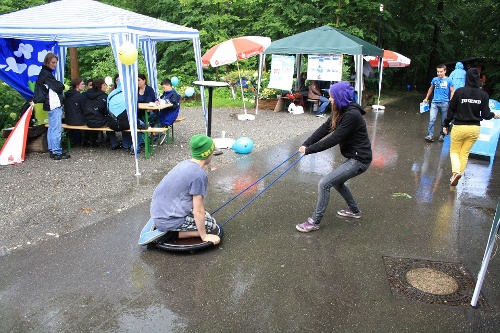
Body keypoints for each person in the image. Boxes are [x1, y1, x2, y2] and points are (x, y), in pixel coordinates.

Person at [296, 81, 372, 232]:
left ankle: (314, 222)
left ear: (340, 97)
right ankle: (354, 210)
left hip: (360, 160)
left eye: (332, 96)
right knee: (337, 182)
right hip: (355, 157)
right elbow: (325, 129)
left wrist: (309, 150)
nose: (330, 99)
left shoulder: (352, 115)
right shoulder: (341, 110)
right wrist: (306, 144)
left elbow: (334, 139)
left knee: (324, 183)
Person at [149, 134, 221, 245]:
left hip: (158, 214)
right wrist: (204, 236)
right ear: (208, 154)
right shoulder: (199, 175)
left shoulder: (185, 164)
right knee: (212, 226)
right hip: (168, 221)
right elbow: (198, 211)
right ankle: (170, 234)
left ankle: (174, 228)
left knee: (205, 217)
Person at [443, 68, 500, 186]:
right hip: (474, 129)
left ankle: (456, 172)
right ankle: (456, 176)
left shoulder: (460, 92)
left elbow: (451, 110)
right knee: (464, 153)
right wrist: (494, 115)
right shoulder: (483, 95)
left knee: (454, 151)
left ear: (466, 78)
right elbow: (485, 115)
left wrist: (446, 124)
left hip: (459, 127)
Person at [36, 52, 69, 160]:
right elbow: (58, 87)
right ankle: (56, 152)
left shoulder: (43, 73)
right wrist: (61, 85)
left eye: (55, 62)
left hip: (49, 104)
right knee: (56, 129)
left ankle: (52, 149)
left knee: (51, 128)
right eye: (53, 62)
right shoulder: (47, 74)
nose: (54, 64)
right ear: (47, 62)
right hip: (53, 104)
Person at [423, 64, 454, 142]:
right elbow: (430, 89)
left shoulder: (449, 80)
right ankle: (430, 135)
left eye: (441, 72)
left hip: (445, 103)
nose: (439, 73)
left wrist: (451, 99)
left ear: (445, 71)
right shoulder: (435, 79)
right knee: (432, 119)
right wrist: (426, 98)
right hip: (434, 102)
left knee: (444, 121)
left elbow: (452, 90)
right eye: (438, 72)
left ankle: (442, 135)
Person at [106, 78, 132, 151]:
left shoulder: (111, 94)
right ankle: (135, 145)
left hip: (112, 124)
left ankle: (114, 144)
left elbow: (107, 109)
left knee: (122, 118)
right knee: (139, 124)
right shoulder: (129, 94)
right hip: (126, 124)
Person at [81, 78, 108, 147]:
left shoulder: (84, 94)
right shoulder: (104, 96)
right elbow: (105, 111)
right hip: (99, 122)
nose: (106, 86)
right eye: (104, 85)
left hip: (87, 121)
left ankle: (87, 140)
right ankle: (97, 140)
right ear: (100, 86)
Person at [63, 77, 86, 146]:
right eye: (82, 84)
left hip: (67, 120)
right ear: (77, 86)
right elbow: (84, 109)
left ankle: (73, 139)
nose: (84, 85)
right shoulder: (80, 96)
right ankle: (82, 141)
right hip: (78, 121)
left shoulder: (67, 95)